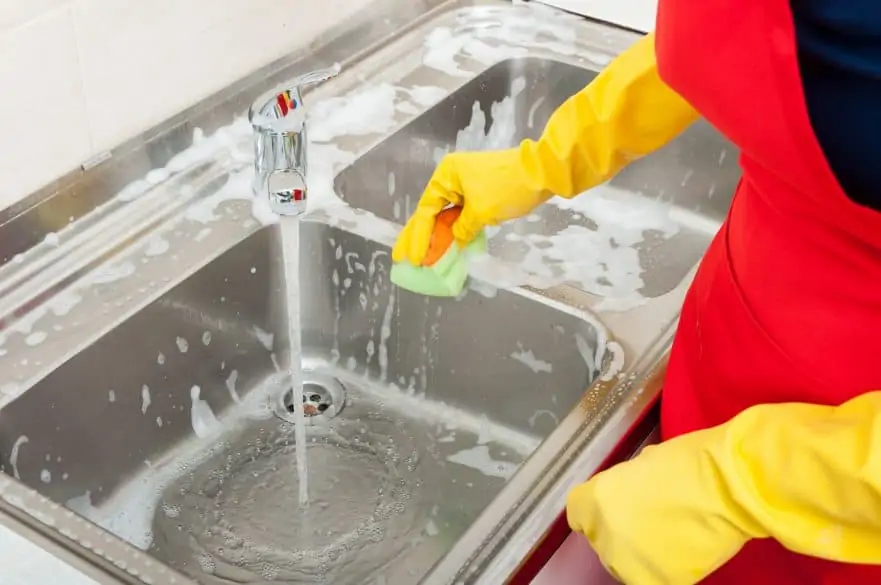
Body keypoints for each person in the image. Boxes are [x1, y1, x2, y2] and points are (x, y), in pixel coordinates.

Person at [392, 0, 881, 584]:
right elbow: (727, 38)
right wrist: (548, 160)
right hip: (727, 351)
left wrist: (739, 486)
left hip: (849, 502)